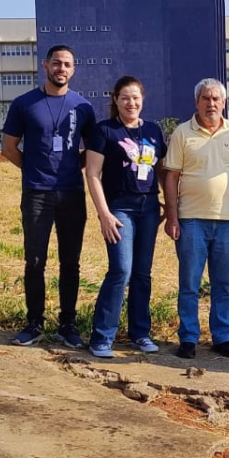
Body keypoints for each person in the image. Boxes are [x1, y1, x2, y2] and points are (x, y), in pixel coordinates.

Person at [1, 45, 96, 348]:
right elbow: (8, 147)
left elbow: (92, 152)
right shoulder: (24, 103)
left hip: (71, 193)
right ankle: (34, 322)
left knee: (71, 262)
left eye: (67, 64)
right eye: (56, 63)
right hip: (37, 193)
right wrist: (32, 170)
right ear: (45, 66)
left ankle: (67, 324)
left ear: (73, 69)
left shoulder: (83, 107)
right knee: (35, 260)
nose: (61, 69)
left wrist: (72, 166)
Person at [162, 78, 229, 360]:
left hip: (226, 221)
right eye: (205, 98)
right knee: (189, 283)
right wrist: (172, 216)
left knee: (223, 284)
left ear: (223, 103)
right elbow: (171, 176)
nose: (211, 104)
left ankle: (222, 336)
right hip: (190, 221)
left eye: (216, 99)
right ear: (196, 102)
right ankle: (188, 337)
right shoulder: (181, 133)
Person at [84, 76, 167, 357]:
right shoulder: (105, 131)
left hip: (149, 209)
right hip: (119, 208)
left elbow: (163, 171)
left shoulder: (154, 131)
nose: (131, 103)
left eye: (135, 98)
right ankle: (102, 337)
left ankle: (140, 333)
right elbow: (92, 174)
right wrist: (104, 213)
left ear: (143, 99)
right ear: (116, 101)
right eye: (125, 98)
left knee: (142, 273)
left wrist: (166, 203)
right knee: (121, 270)